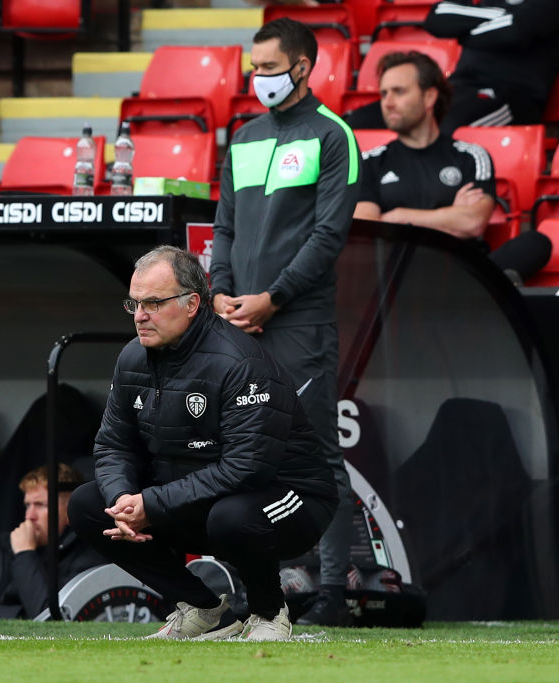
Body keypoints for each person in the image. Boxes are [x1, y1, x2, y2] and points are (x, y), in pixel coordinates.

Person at [68, 246, 339, 642]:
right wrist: (125, 498)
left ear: (193, 303)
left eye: (154, 303)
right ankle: (202, 608)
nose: (140, 316)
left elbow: (247, 468)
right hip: (197, 499)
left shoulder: (239, 362)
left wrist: (154, 504)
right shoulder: (132, 358)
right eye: (134, 303)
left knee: (231, 517)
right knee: (90, 505)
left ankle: (268, 613)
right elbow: (113, 445)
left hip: (290, 498)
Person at [208, 16, 360, 627]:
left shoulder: (333, 135)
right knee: (240, 454)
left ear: (302, 67)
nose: (258, 78)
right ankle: (257, 595)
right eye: (254, 68)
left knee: (318, 455)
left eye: (269, 68)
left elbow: (329, 235)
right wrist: (219, 292)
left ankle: (333, 593)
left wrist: (274, 296)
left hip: (298, 323)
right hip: (237, 321)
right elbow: (223, 228)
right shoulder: (242, 138)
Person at [353, 50, 552, 284]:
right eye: (384, 93)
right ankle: (496, 286)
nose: (387, 103)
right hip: (399, 274)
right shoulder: (370, 162)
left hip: (461, 271)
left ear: (429, 98)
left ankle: (489, 286)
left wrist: (398, 216)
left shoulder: (470, 156)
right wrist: (448, 218)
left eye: (399, 92)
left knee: (536, 243)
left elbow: (472, 223)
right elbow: (366, 232)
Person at [347, 0, 559, 133]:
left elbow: (516, 32)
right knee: (354, 123)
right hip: (457, 89)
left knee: (438, 130)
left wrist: (465, 29)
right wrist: (502, 19)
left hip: (512, 99)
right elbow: (437, 16)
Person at [0, 464, 105, 619]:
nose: (30, 516)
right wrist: (22, 616)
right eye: (27, 505)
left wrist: (25, 555)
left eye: (40, 505)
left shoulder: (88, 553)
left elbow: (52, 620)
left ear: (69, 509)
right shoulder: (12, 547)